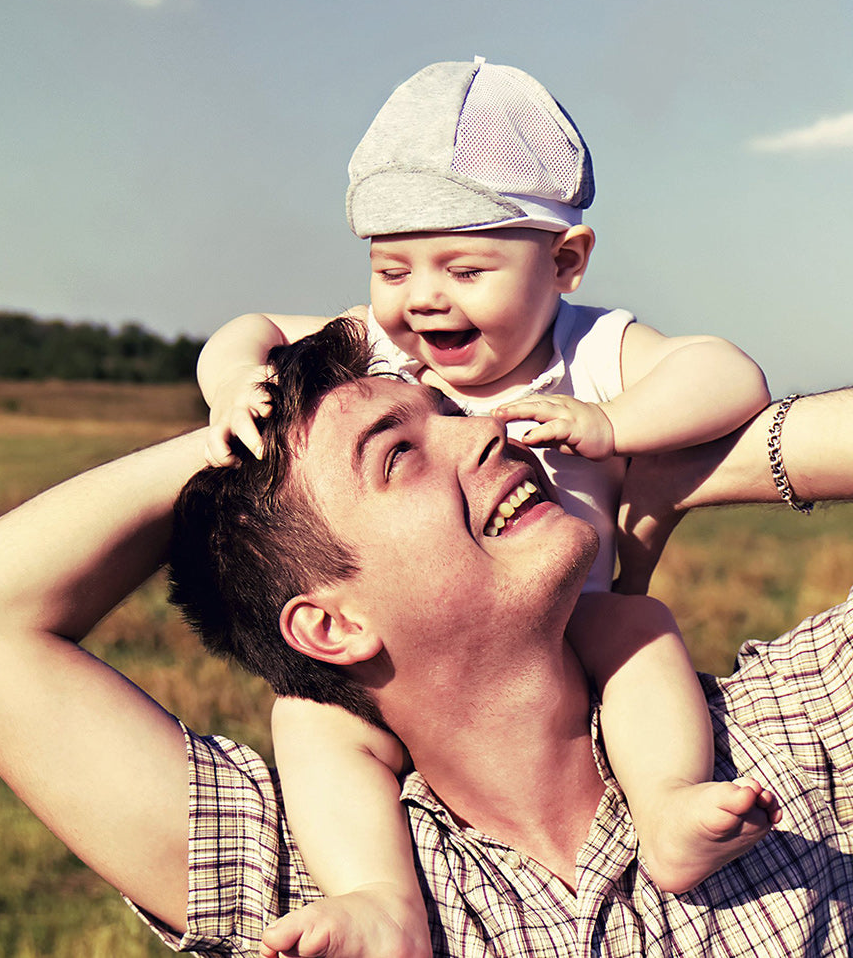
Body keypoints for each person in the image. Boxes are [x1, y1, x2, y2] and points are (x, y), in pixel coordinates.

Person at [0, 316, 853, 957]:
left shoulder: (771, 750)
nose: (482, 430)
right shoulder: (323, 881)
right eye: (402, 450)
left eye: (447, 408)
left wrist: (662, 467)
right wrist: (236, 438)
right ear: (328, 620)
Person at [195, 58, 773, 953]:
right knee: (310, 717)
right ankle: (380, 901)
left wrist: (613, 421)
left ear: (566, 262)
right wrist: (236, 381)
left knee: (638, 628)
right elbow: (250, 330)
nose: (423, 296)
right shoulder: (376, 350)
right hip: (424, 658)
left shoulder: (595, 348)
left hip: (571, 620)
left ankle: (663, 807)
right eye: (394, 268)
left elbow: (729, 375)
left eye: (465, 268)